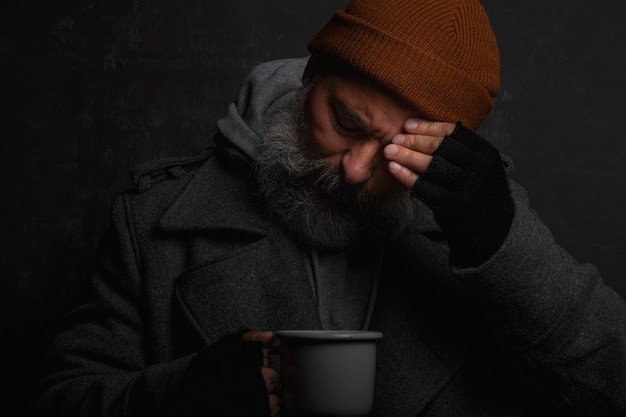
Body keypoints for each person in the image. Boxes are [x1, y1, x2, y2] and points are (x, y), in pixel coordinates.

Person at [31, 0, 626, 416]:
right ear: (312, 74)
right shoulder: (157, 220)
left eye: (399, 151)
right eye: (345, 122)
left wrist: (507, 247)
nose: (356, 171)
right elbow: (60, 399)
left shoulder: (483, 230)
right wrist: (185, 392)